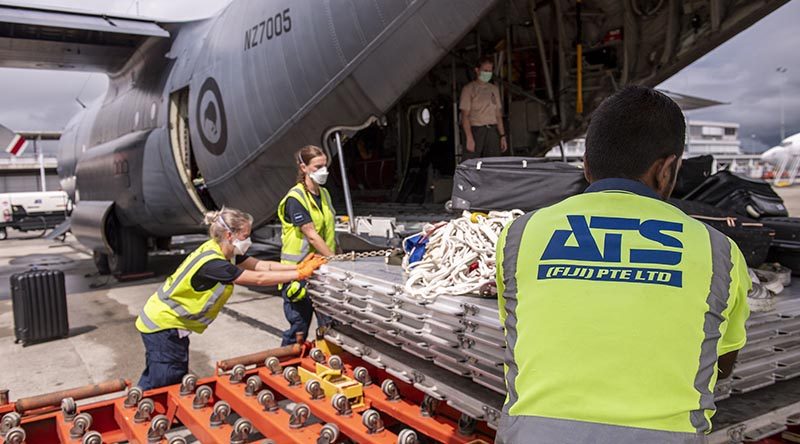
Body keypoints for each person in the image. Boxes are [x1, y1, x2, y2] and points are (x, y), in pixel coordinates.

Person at [495, 86, 750, 443]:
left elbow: (523, 337)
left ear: (585, 164)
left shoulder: (519, 235)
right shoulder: (718, 250)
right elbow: (721, 364)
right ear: (668, 169)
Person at [135, 207, 326, 390]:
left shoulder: (225, 252)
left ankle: (148, 408)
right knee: (165, 379)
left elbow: (262, 266)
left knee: (167, 374)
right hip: (163, 324)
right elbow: (259, 279)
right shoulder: (214, 263)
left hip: (171, 325)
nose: (248, 240)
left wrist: (297, 268)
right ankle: (143, 413)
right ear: (229, 235)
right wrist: (299, 275)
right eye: (245, 236)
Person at [277, 145, 337, 346]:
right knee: (298, 329)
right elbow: (311, 235)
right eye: (318, 166)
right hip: (299, 274)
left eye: (325, 165)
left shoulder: (325, 194)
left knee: (329, 327)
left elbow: (328, 231)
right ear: (303, 168)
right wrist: (335, 260)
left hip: (321, 270)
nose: (324, 171)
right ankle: (286, 369)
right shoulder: (296, 198)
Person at [459, 55, 508, 159]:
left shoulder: (494, 89)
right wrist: (469, 137)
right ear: (477, 70)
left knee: (493, 163)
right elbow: (465, 116)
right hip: (476, 130)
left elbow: (498, 115)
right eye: (485, 70)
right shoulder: (469, 89)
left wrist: (502, 136)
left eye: (490, 71)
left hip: (492, 131)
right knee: (472, 163)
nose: (488, 73)